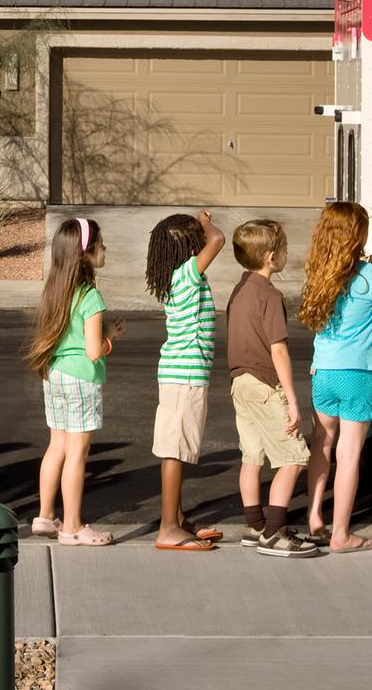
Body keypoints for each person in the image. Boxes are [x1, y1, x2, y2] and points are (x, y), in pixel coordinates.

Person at [298, 202, 372, 553]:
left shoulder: (318, 273)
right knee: (349, 455)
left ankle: (315, 518)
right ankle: (341, 534)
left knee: (322, 445)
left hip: (323, 370)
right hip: (357, 372)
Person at [226, 220, 321, 558]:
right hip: (266, 383)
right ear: (270, 257)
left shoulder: (240, 290)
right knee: (294, 458)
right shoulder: (270, 294)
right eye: (282, 249)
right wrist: (293, 400)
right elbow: (278, 349)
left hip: (241, 382)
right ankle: (273, 532)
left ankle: (255, 523)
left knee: (252, 455)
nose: (286, 254)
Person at [24, 218, 117, 547]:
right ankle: (73, 526)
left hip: (55, 373)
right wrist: (108, 342)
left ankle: (46, 516)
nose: (105, 250)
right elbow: (93, 350)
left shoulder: (55, 289)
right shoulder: (90, 295)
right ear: (86, 253)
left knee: (57, 446)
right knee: (78, 452)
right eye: (101, 245)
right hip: (81, 378)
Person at [145, 211, 227, 552]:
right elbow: (219, 239)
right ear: (188, 247)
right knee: (174, 452)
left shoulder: (173, 278)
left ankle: (177, 520)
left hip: (180, 374)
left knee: (175, 448)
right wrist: (204, 221)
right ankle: (168, 529)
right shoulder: (187, 275)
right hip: (186, 376)